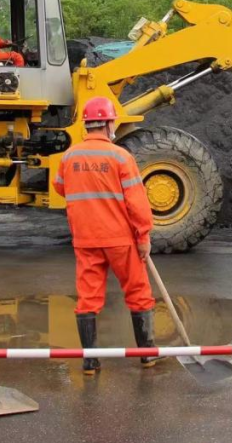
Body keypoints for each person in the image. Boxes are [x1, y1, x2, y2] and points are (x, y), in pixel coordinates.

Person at [53, 97, 157, 375]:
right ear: (109, 124)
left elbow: (60, 187)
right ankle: (147, 355)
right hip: (120, 239)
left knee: (88, 297)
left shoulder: (69, 156)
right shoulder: (121, 157)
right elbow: (137, 203)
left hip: (85, 239)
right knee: (138, 293)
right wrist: (143, 236)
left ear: (87, 125)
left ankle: (90, 361)